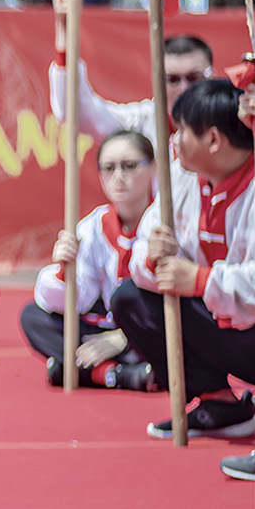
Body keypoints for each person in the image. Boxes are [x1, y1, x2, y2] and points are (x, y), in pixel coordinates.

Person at [112, 77, 255, 444]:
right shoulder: (180, 176)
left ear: (212, 140)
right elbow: (143, 248)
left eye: (181, 132)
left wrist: (199, 280)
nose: (173, 141)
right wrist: (153, 260)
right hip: (221, 328)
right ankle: (218, 402)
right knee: (130, 299)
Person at [23, 129, 160, 389]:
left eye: (129, 166)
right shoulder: (92, 227)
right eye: (109, 168)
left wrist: (123, 338)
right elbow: (81, 301)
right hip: (102, 328)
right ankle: (113, 374)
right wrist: (65, 273)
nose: (118, 176)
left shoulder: (167, 221)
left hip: (148, 331)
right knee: (32, 317)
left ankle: (77, 369)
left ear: (153, 167)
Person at [47, 0, 213, 140]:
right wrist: (64, 30)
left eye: (194, 78)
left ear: (212, 77)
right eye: (172, 79)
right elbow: (76, 111)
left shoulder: (231, 122)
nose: (183, 88)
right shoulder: (143, 122)